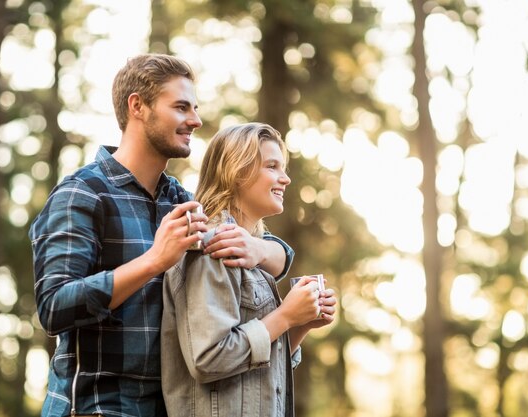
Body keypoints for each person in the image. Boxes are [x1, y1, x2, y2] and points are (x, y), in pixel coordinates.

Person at [29, 55, 294, 417]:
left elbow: (277, 257)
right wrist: (155, 260)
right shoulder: (83, 194)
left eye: (195, 108)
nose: (196, 120)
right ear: (137, 106)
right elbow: (54, 307)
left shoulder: (181, 201)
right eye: (181, 107)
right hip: (97, 409)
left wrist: (259, 248)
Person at [161, 122, 338, 417]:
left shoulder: (253, 256)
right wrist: (284, 316)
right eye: (272, 166)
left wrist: (301, 324)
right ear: (237, 171)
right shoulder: (214, 249)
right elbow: (209, 358)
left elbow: (255, 367)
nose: (286, 179)